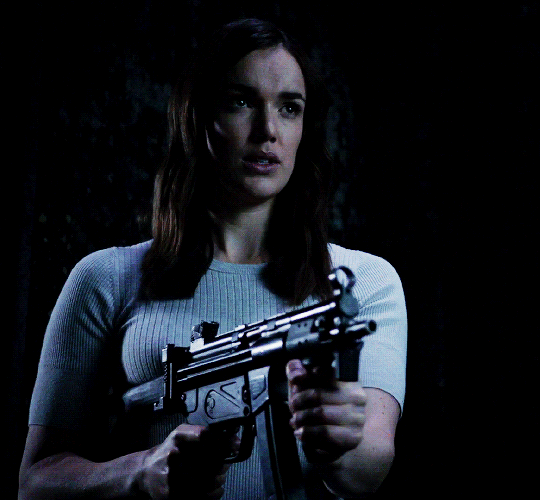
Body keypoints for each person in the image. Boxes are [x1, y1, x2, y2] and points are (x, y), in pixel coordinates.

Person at [19, 18, 407, 500]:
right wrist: (138, 472)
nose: (267, 131)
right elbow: (35, 482)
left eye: (289, 108)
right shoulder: (104, 279)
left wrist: (338, 443)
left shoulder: (366, 281)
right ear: (198, 118)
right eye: (241, 102)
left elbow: (369, 471)